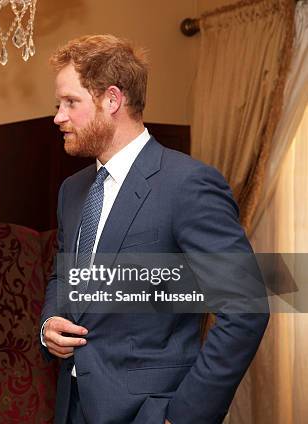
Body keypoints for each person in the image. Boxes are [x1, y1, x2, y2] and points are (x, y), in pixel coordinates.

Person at [40, 35, 269, 424]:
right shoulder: (72, 190)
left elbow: (244, 309)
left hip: (151, 411)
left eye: (70, 102)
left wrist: (184, 415)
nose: (58, 116)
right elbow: (62, 275)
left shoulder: (189, 185)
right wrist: (49, 324)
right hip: (71, 405)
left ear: (112, 100)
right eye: (58, 104)